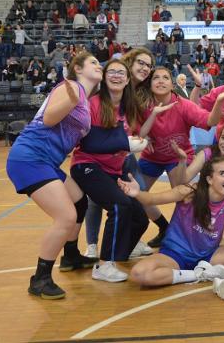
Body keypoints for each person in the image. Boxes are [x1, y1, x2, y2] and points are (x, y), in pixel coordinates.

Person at [6, 53, 103, 299]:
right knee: (66, 216)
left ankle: (70, 255)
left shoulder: (84, 98)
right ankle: (40, 279)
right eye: (93, 62)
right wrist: (69, 102)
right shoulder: (71, 87)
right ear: (78, 68)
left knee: (79, 200)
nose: (98, 65)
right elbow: (49, 119)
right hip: (30, 158)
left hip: (46, 162)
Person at [117, 157, 224, 300]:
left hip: (209, 257)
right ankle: (199, 274)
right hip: (175, 255)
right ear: (209, 179)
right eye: (223, 173)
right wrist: (137, 193)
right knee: (139, 273)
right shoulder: (188, 192)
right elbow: (152, 199)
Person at [69, 59, 152, 282]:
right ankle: (104, 265)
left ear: (127, 80)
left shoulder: (128, 108)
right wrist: (125, 143)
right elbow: (91, 143)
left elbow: (132, 136)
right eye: (111, 72)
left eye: (121, 73)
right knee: (119, 205)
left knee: (140, 219)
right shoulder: (94, 103)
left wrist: (138, 141)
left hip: (113, 171)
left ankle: (119, 255)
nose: (116, 76)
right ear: (104, 78)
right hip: (87, 165)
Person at [136, 67, 224, 247]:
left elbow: (210, 121)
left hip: (179, 157)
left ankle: (181, 235)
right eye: (156, 78)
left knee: (183, 198)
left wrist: (219, 101)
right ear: (150, 83)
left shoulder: (183, 105)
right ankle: (164, 228)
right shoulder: (143, 106)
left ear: (172, 84)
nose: (161, 81)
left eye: (165, 77)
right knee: (137, 195)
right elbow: (134, 131)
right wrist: (143, 136)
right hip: (151, 157)